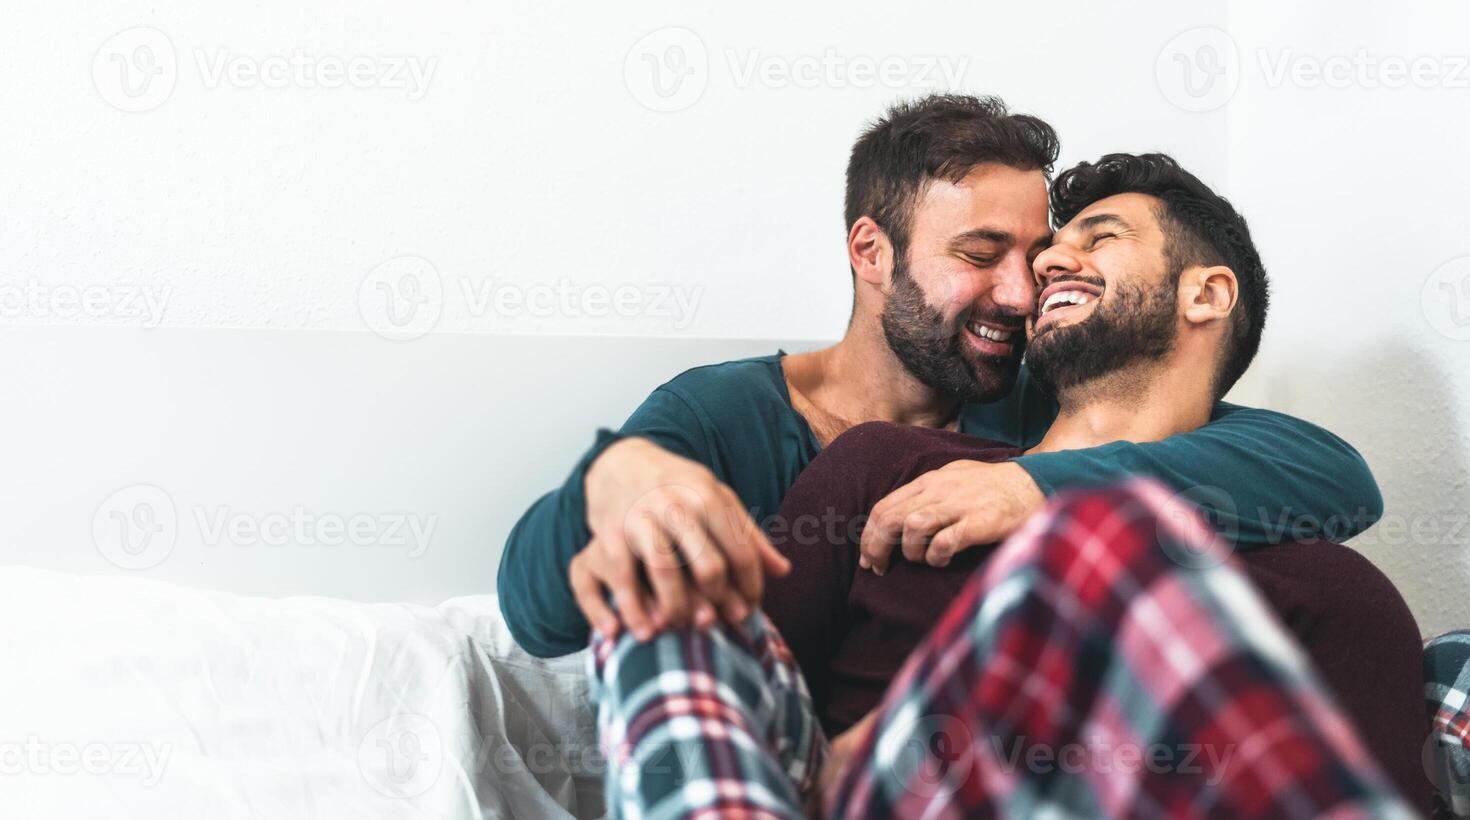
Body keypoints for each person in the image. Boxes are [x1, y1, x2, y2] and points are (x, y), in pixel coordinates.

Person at [587, 154, 1419, 818]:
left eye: (1099, 237)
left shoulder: (1330, 589)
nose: (1051, 260)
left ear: (1206, 293)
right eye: (1050, 247)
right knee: (664, 592)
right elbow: (758, 696)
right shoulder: (889, 465)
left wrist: (1040, 499)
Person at [498, 95, 1381, 660]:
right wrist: (610, 479)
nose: (1021, 288)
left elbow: (1327, 475)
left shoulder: (1041, 405)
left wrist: (1037, 485)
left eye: (1035, 255)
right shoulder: (728, 413)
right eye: (979, 254)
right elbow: (536, 618)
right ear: (870, 251)